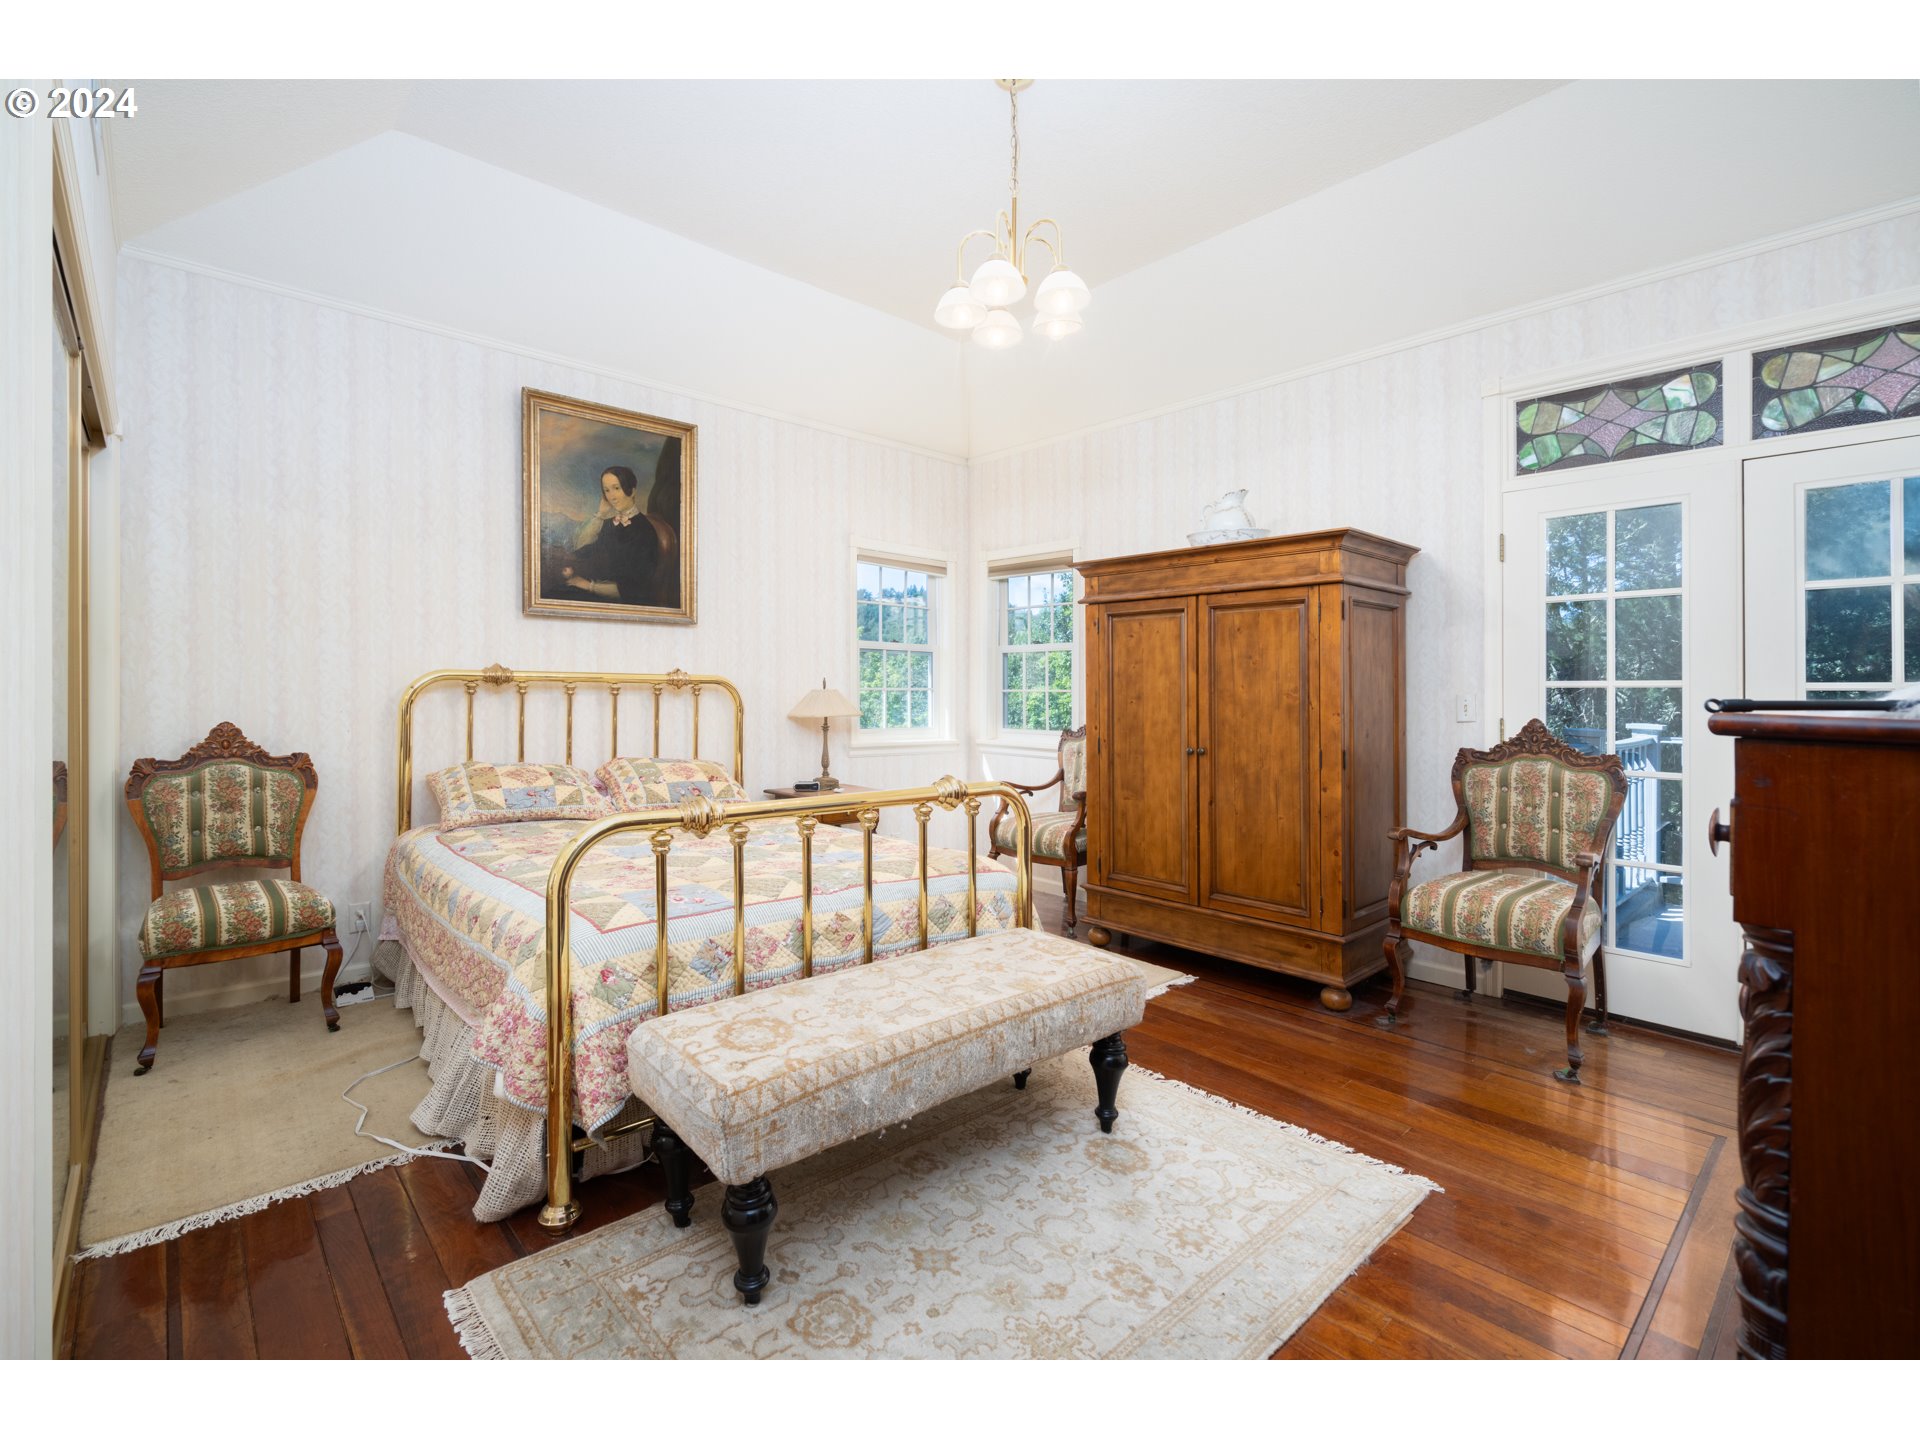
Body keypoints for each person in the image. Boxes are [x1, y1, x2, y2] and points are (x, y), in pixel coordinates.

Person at [560, 465, 677, 606]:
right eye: (607, 490)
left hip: (626, 600)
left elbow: (635, 587)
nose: (612, 497)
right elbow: (585, 549)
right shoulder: (610, 523)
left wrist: (589, 586)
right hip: (599, 589)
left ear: (631, 491)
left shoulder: (644, 530)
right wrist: (601, 514)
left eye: (616, 488)